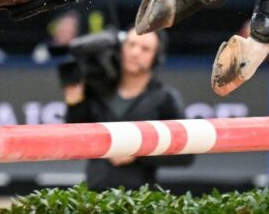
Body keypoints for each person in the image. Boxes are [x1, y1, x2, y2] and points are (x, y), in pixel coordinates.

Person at [61, 28, 193, 190]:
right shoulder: (98, 91)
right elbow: (73, 139)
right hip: (94, 198)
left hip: (140, 199)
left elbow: (186, 153)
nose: (135, 52)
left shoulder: (164, 98)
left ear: (156, 57)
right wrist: (74, 99)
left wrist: (138, 152)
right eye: (130, 45)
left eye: (145, 49)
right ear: (121, 49)